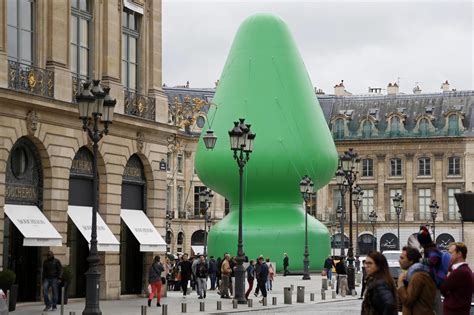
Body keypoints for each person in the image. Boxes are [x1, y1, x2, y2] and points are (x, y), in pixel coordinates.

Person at [397, 246, 436, 315]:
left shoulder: (418, 276)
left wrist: (400, 283)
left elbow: (407, 301)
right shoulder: (413, 275)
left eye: (402, 258)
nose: (399, 260)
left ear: (411, 261)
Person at [440, 242, 474, 315]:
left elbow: (443, 288)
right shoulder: (465, 270)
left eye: (451, 253)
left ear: (459, 254)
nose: (448, 256)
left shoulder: (460, 272)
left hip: (455, 312)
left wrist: (447, 271)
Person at [361, 251, 398, 315]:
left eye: (370, 263)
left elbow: (389, 304)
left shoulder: (380, 283)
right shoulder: (376, 281)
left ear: (378, 265)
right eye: (366, 263)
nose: (366, 266)